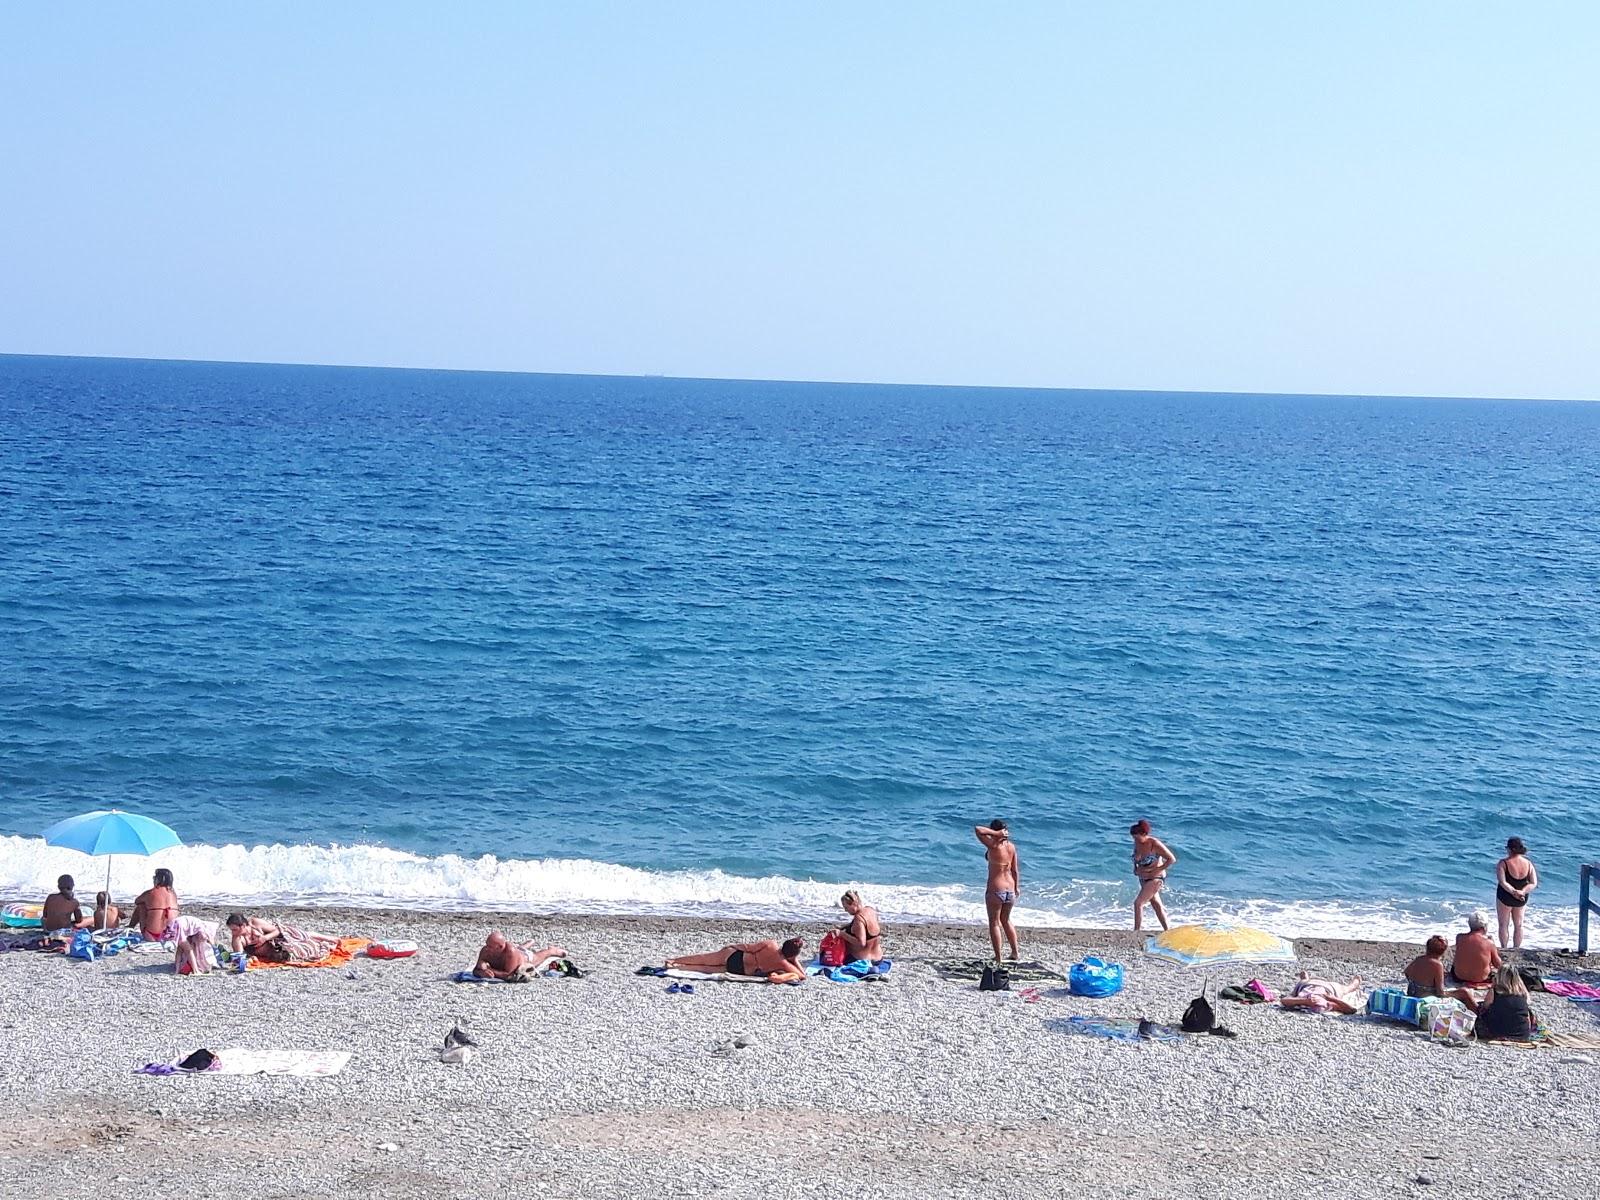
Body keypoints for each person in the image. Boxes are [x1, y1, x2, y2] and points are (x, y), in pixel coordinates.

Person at [665, 937, 806, 984]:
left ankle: (674, 961)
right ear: (792, 954)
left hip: (736, 956)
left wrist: (733, 946)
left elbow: (748, 947)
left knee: (704, 959)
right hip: (741, 970)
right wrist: (795, 960)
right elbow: (802, 976)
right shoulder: (783, 963)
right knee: (704, 969)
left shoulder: (771, 944)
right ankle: (674, 969)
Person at [974, 820, 1020, 962]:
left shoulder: (993, 845)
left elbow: (978, 830)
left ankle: (998, 957)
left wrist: (995, 834)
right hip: (1010, 888)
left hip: (996, 888)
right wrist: (1017, 887)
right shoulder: (1011, 847)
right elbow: (1015, 870)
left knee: (994, 922)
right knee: (1006, 920)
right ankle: (1015, 953)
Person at [224, 913, 338, 964]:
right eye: (231, 930)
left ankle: (329, 938)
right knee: (302, 949)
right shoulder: (238, 939)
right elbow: (238, 955)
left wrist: (264, 938)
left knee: (301, 936)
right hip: (276, 949)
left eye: (235, 929)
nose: (233, 933)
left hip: (278, 936)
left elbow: (277, 930)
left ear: (243, 926)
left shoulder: (255, 923)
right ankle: (326, 946)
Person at [1448, 911, 1502, 1013]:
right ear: (1485, 927)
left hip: (1458, 976)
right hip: (1481, 978)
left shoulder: (1459, 937)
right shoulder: (1489, 942)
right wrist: (1493, 944)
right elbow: (1498, 964)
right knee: (1494, 972)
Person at [1130, 820, 1177, 933]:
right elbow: (1136, 858)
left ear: (1144, 834)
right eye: (1133, 838)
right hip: (1143, 878)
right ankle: (1167, 930)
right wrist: (1135, 868)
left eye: (1137, 838)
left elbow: (1171, 859)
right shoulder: (1137, 843)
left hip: (1155, 879)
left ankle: (1136, 932)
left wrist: (1157, 870)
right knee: (1156, 904)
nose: (1135, 840)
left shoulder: (1154, 844)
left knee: (1138, 903)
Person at [1495, 837, 1538, 950]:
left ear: (1510, 849)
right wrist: (1522, 892)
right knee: (1519, 925)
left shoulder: (1503, 863)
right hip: (1522, 898)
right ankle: (1516, 948)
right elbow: (1533, 883)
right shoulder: (1528, 864)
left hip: (1505, 896)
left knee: (1503, 924)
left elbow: (1503, 882)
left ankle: (1504, 947)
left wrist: (1513, 892)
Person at [471, 932, 571, 981]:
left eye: (490, 946)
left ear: (500, 947)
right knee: (520, 949)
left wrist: (489, 969)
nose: (487, 948)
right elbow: (476, 970)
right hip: (517, 952)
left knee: (539, 957)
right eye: (487, 945)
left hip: (525, 958)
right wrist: (481, 972)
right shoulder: (485, 950)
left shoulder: (510, 952)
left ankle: (552, 950)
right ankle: (527, 944)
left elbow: (508, 975)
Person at [1474, 964, 1535, 1042]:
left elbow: (1484, 1008)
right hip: (1522, 1034)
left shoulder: (1495, 991)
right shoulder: (1523, 993)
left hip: (1496, 1033)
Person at [128, 868, 179, 940]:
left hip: (151, 935)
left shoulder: (151, 892)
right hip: (170, 936)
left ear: (159, 879)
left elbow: (137, 901)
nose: (153, 879)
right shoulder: (173, 895)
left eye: (154, 877)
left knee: (141, 906)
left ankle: (130, 927)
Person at [1280, 972, 1365, 1014]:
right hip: (1330, 989)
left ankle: (1305, 978)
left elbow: (1284, 1000)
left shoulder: (1300, 1000)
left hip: (1307, 985)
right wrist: (1333, 998)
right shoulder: (1323, 1005)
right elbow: (1351, 1010)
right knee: (1346, 989)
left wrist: (1304, 1001)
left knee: (1302, 983)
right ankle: (1355, 984)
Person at [837, 891, 883, 964]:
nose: (845, 910)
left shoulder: (858, 919)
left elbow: (861, 943)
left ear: (854, 904)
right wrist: (844, 928)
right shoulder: (870, 910)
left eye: (846, 907)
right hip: (878, 958)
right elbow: (866, 927)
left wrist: (841, 934)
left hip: (863, 960)